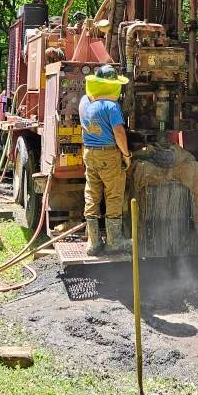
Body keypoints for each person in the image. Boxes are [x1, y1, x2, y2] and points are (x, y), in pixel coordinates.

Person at [79, 64, 133, 255]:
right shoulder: (112, 106)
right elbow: (119, 132)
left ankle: (93, 243)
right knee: (114, 195)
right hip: (108, 154)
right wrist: (126, 155)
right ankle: (114, 241)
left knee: (92, 195)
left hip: (89, 153)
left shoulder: (85, 102)